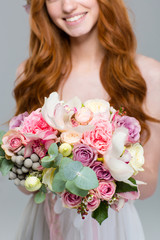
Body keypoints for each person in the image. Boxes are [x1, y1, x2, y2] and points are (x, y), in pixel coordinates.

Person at [13, 0, 160, 239]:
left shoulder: (148, 74)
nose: (68, 6)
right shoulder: (31, 74)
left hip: (110, 226)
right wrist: (28, 157)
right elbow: (24, 187)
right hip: (47, 222)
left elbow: (149, 185)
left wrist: (104, 158)